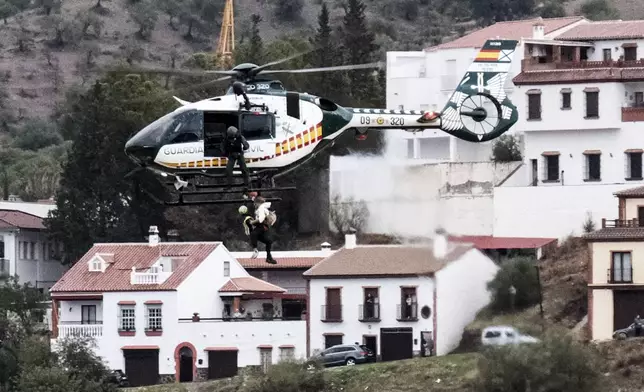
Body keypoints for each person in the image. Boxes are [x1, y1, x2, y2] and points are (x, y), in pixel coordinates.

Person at [248, 196, 277, 264]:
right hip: (264, 227)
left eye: (255, 204)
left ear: (258, 203)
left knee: (253, 233)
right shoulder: (261, 207)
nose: (254, 205)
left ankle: (255, 250)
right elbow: (256, 199)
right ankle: (269, 257)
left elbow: (261, 219)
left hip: (262, 226)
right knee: (268, 241)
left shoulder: (261, 208)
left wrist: (252, 222)